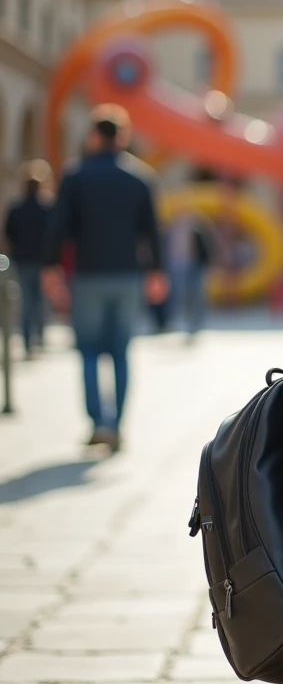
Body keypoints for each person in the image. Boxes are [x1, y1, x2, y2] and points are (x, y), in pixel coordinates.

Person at [42, 105, 168, 453]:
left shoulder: (75, 176)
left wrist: (51, 268)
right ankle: (118, 424)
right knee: (121, 351)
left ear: (94, 136)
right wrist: (157, 272)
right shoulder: (141, 178)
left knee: (87, 350)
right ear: (123, 137)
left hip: (88, 276)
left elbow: (59, 227)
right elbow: (153, 231)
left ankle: (98, 421)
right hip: (128, 276)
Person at [4, 160, 53, 359]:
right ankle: (39, 337)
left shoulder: (16, 209)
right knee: (40, 300)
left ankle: (26, 339)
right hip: (42, 259)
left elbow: (9, 233)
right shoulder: (47, 209)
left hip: (22, 259)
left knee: (26, 300)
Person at [165, 208, 213, 340]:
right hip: (182, 268)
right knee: (184, 296)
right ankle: (188, 323)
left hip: (195, 268)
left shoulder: (196, 233)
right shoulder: (174, 232)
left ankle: (195, 324)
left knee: (196, 296)